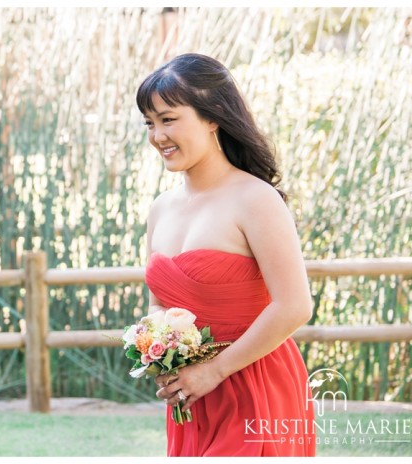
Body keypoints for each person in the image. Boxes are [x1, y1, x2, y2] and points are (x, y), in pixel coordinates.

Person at [139, 53, 316, 456]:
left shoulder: (255, 199)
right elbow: (158, 304)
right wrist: (165, 356)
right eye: (149, 122)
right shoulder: (160, 209)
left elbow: (294, 306)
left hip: (255, 384)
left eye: (168, 119)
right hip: (192, 395)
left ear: (213, 116)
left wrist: (214, 371)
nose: (157, 135)